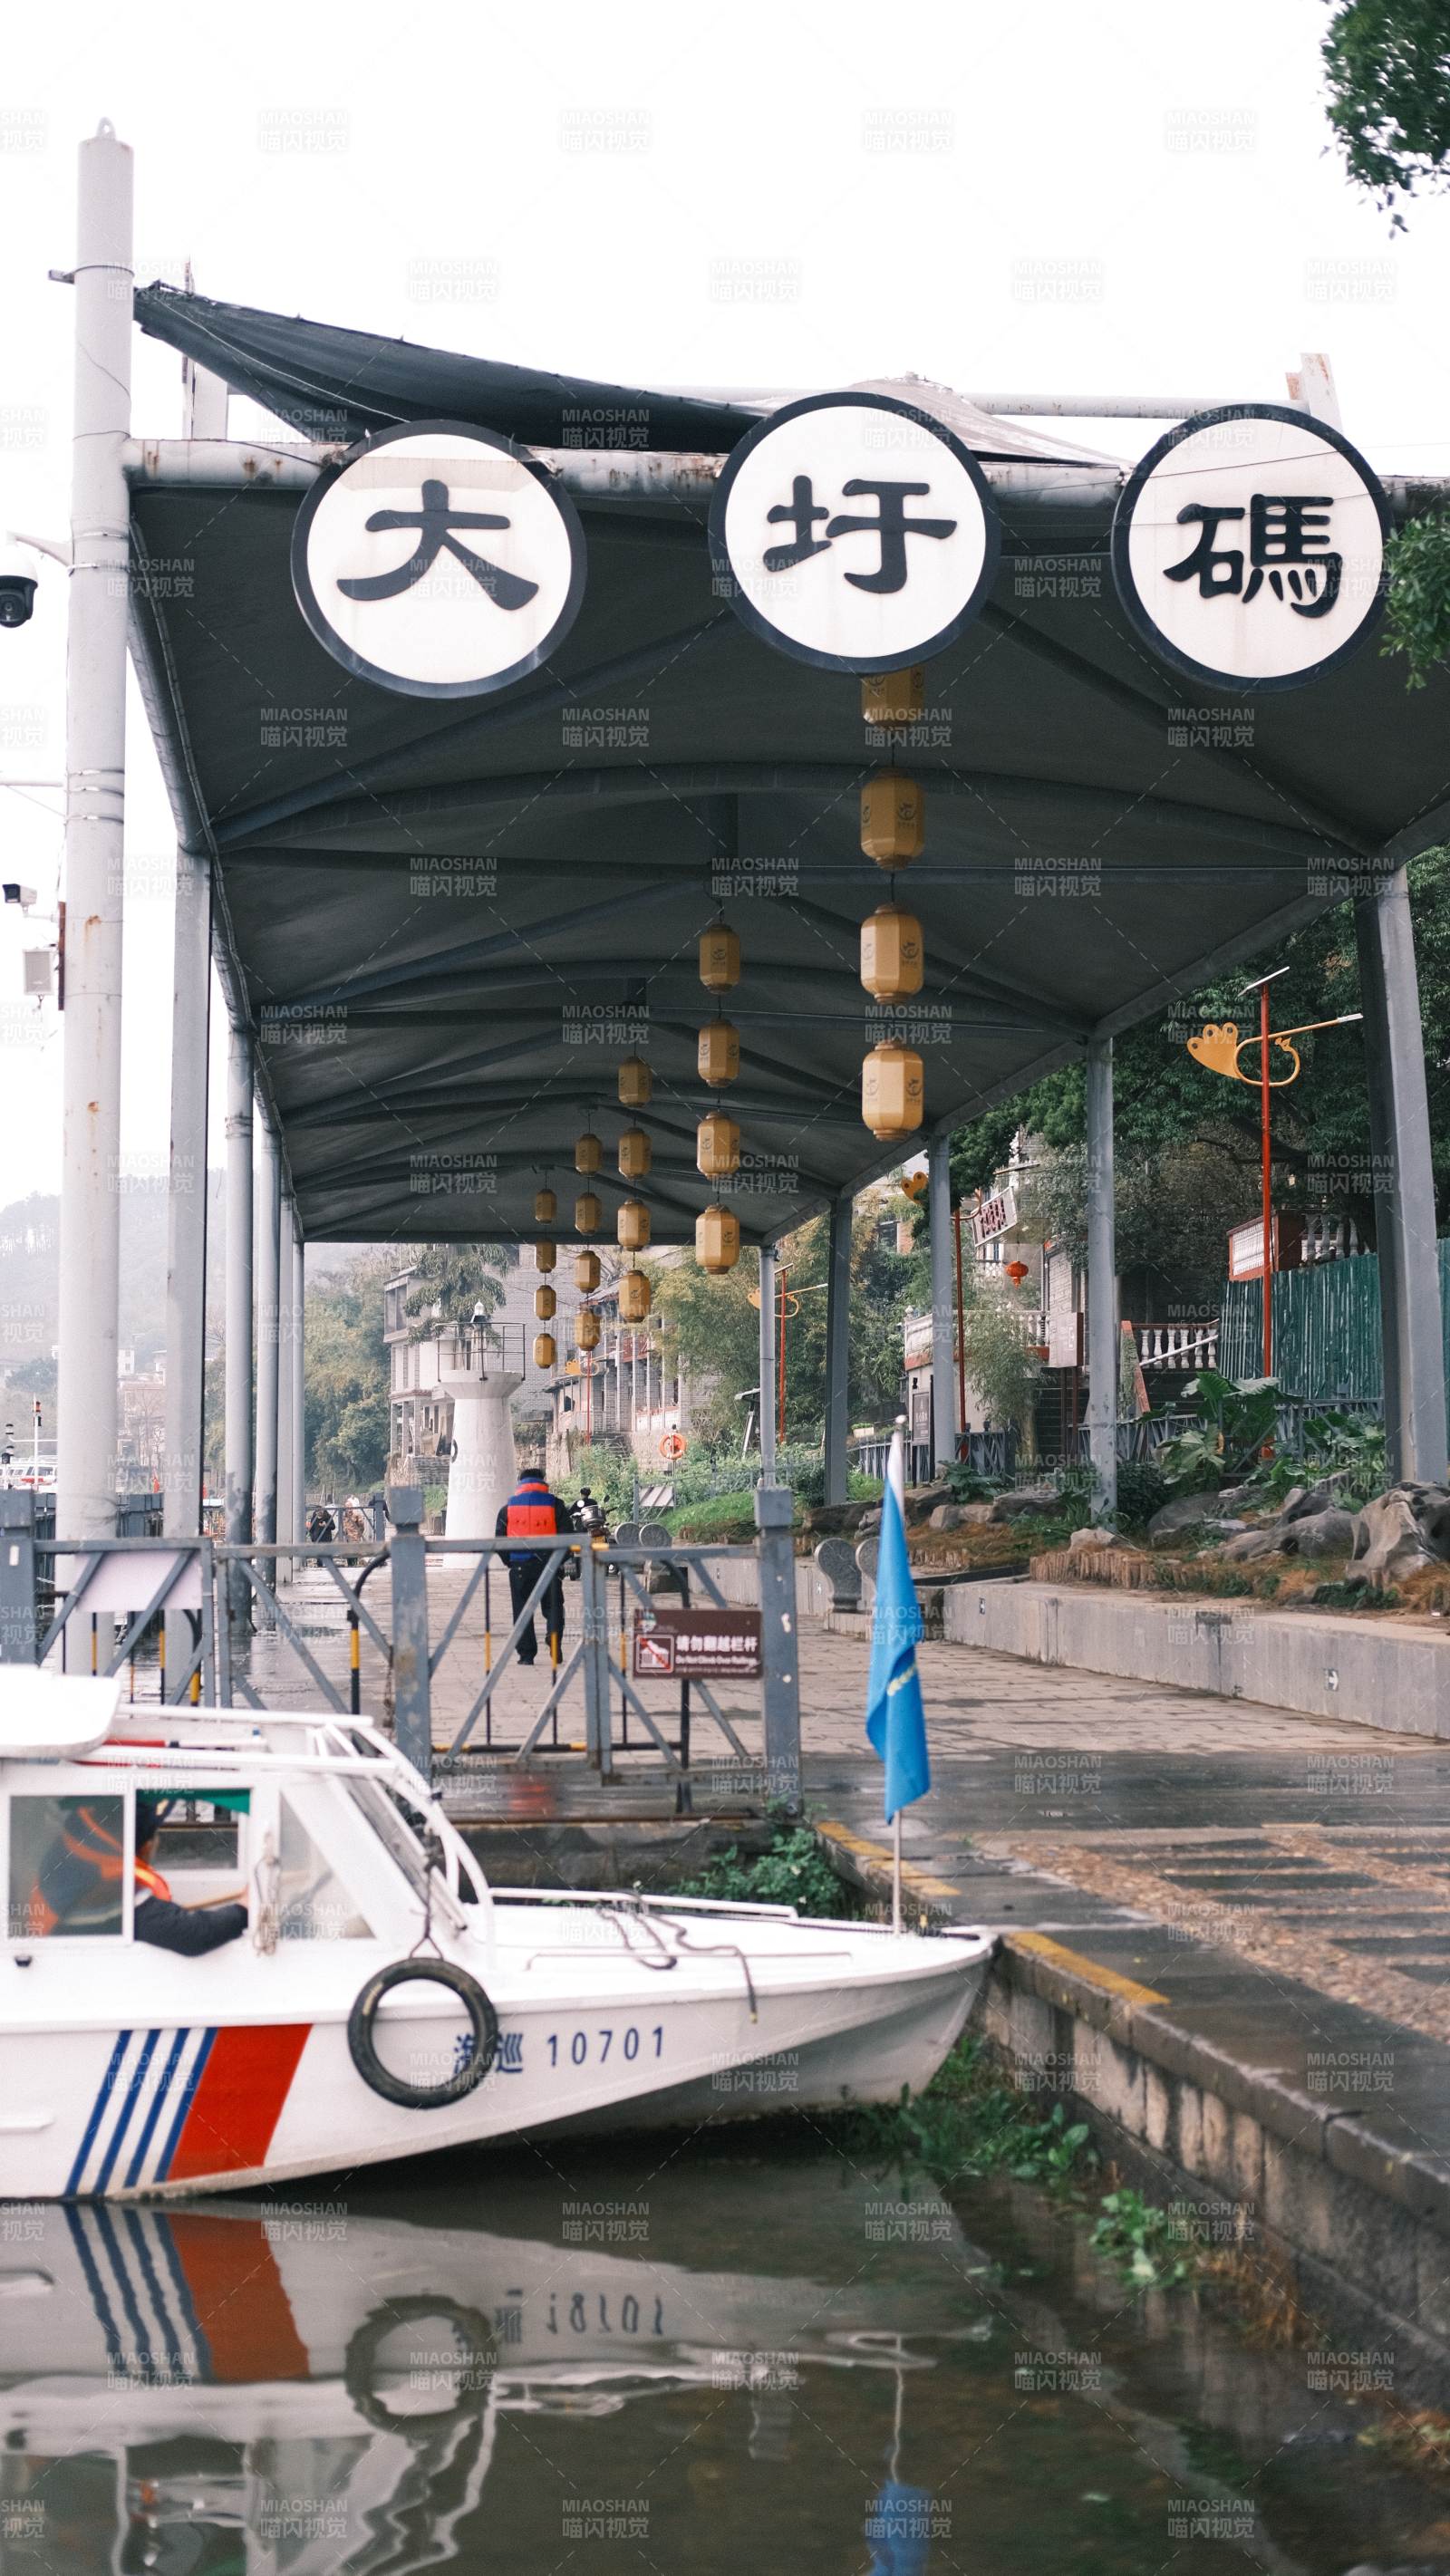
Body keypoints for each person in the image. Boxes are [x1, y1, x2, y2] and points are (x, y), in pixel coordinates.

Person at [132, 1796, 249, 1956]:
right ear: (148, 1846)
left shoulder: (102, 1877)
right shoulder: (120, 1889)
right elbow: (193, 1935)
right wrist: (244, 1910)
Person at [496, 1464, 572, 1665]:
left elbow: (499, 1542)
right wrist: (558, 1561)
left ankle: (526, 1655)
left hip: (520, 1568)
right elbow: (568, 1539)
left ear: (520, 1483)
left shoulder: (508, 1509)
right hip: (550, 1566)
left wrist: (511, 1562)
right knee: (554, 1605)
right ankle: (554, 1637)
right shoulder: (556, 1505)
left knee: (522, 1610)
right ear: (543, 1481)